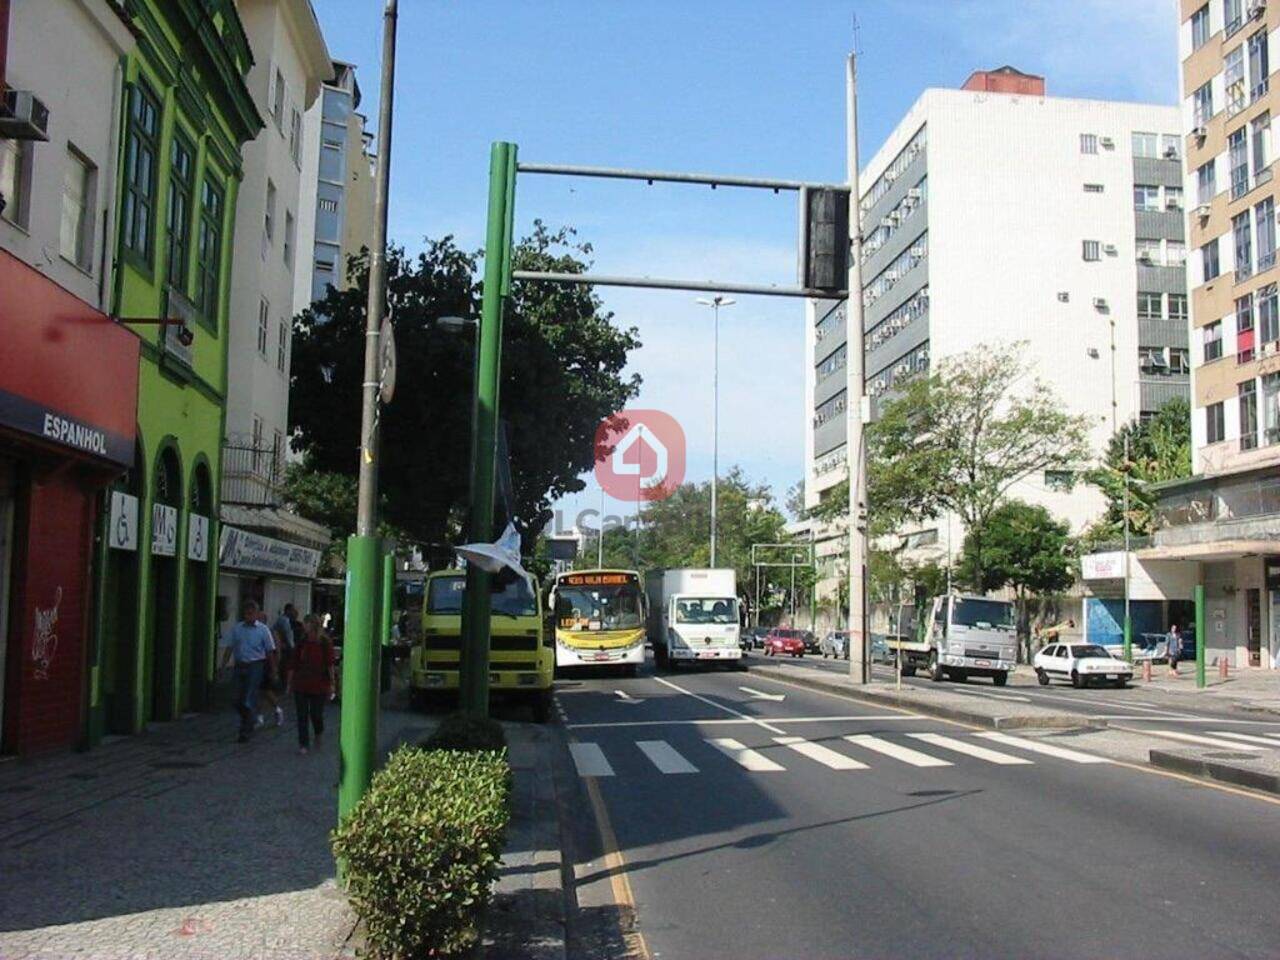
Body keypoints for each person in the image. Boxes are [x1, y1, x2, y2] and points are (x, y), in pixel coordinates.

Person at [219, 600, 277, 743]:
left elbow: (270, 651)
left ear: (257, 614)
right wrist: (223, 666)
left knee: (248, 698)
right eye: (246, 613)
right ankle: (251, 718)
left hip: (255, 665)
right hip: (240, 665)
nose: (249, 616)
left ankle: (245, 730)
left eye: (252, 613)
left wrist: (273, 670)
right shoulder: (237, 629)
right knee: (236, 698)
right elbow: (229, 648)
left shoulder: (263, 630)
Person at [289, 614, 335, 754]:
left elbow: (329, 664)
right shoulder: (302, 642)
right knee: (301, 715)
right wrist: (290, 681)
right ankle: (303, 744)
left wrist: (332, 683)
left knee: (316, 714)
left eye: (306, 623)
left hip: (319, 683)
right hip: (301, 682)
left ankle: (318, 733)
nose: (304, 626)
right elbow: (294, 662)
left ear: (313, 625)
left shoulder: (324, 643)